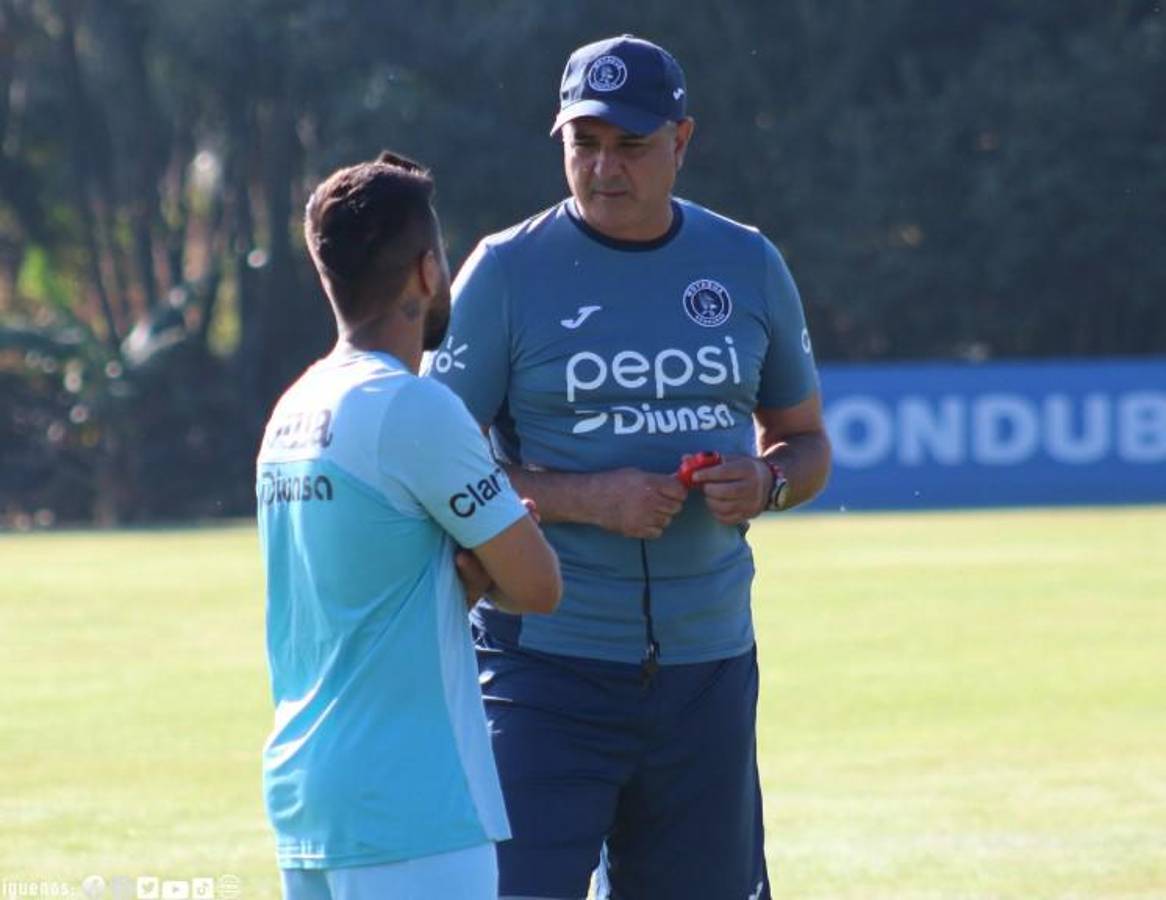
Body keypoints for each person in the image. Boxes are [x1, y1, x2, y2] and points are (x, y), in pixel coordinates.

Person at [427, 35, 832, 900]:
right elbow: (436, 467)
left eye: (632, 146)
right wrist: (585, 499)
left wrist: (765, 483)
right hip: (543, 674)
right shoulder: (505, 273)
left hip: (707, 672)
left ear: (681, 142)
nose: (604, 168)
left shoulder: (747, 263)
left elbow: (805, 443)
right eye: (585, 144)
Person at [256, 152, 562, 900]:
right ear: (426, 272)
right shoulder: (413, 406)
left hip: (308, 791)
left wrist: (455, 583)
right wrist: (491, 561)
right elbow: (538, 584)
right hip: (412, 807)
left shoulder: (293, 409)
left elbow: (366, 601)